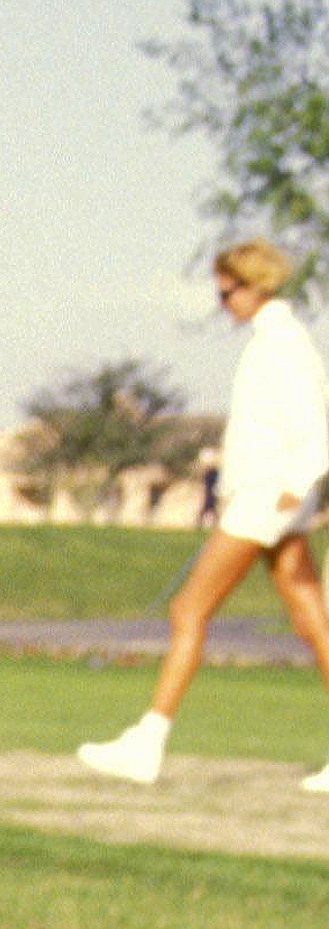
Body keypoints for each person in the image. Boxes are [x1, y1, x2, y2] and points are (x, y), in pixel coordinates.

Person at [77, 237, 329, 791]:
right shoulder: (273, 338)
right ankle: (146, 740)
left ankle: (147, 742)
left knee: (188, 609)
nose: (222, 303)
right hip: (265, 497)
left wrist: (293, 487)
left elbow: (315, 424)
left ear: (256, 284)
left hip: (266, 500)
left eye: (227, 291)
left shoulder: (282, 343)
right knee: (312, 618)